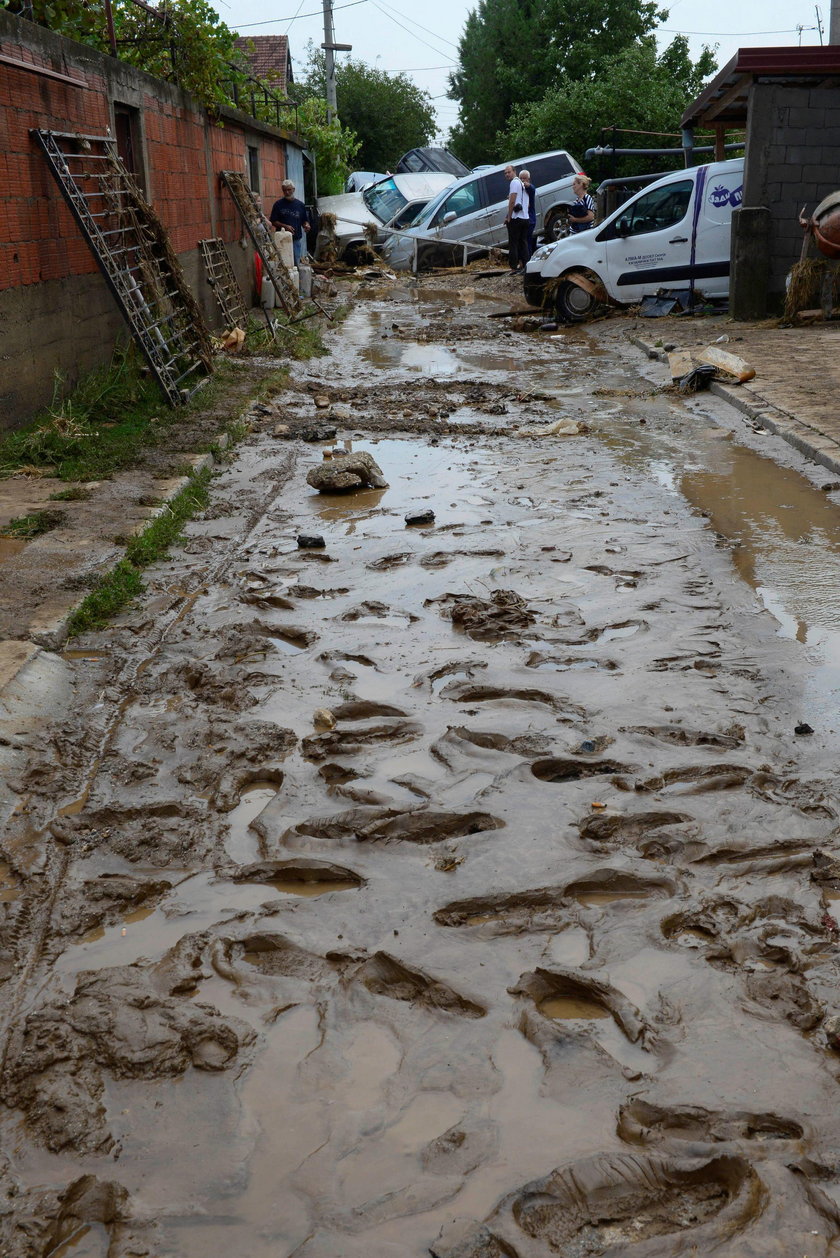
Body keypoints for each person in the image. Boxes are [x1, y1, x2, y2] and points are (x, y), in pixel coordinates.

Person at [269, 180, 310, 265]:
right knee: (283, 263)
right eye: (284, 190)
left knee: (295, 264)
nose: (287, 192)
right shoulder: (278, 204)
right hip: (282, 239)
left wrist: (306, 225)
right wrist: (285, 226)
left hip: (296, 239)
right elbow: (273, 221)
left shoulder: (300, 205)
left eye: (289, 190)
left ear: (293, 189)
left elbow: (304, 221)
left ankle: (295, 278)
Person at [504, 164, 529, 273]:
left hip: (517, 217)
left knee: (513, 243)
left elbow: (512, 200)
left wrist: (509, 216)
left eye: (508, 172)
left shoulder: (514, 182)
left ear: (514, 171)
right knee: (523, 242)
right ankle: (525, 265)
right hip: (525, 217)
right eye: (505, 173)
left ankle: (513, 266)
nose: (507, 174)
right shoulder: (521, 184)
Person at [519, 168, 537, 258]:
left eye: (524, 178)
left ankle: (528, 259)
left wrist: (526, 184)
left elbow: (531, 188)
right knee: (524, 241)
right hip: (523, 220)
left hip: (530, 220)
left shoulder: (530, 188)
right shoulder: (519, 190)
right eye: (520, 178)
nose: (522, 180)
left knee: (526, 241)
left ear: (528, 179)